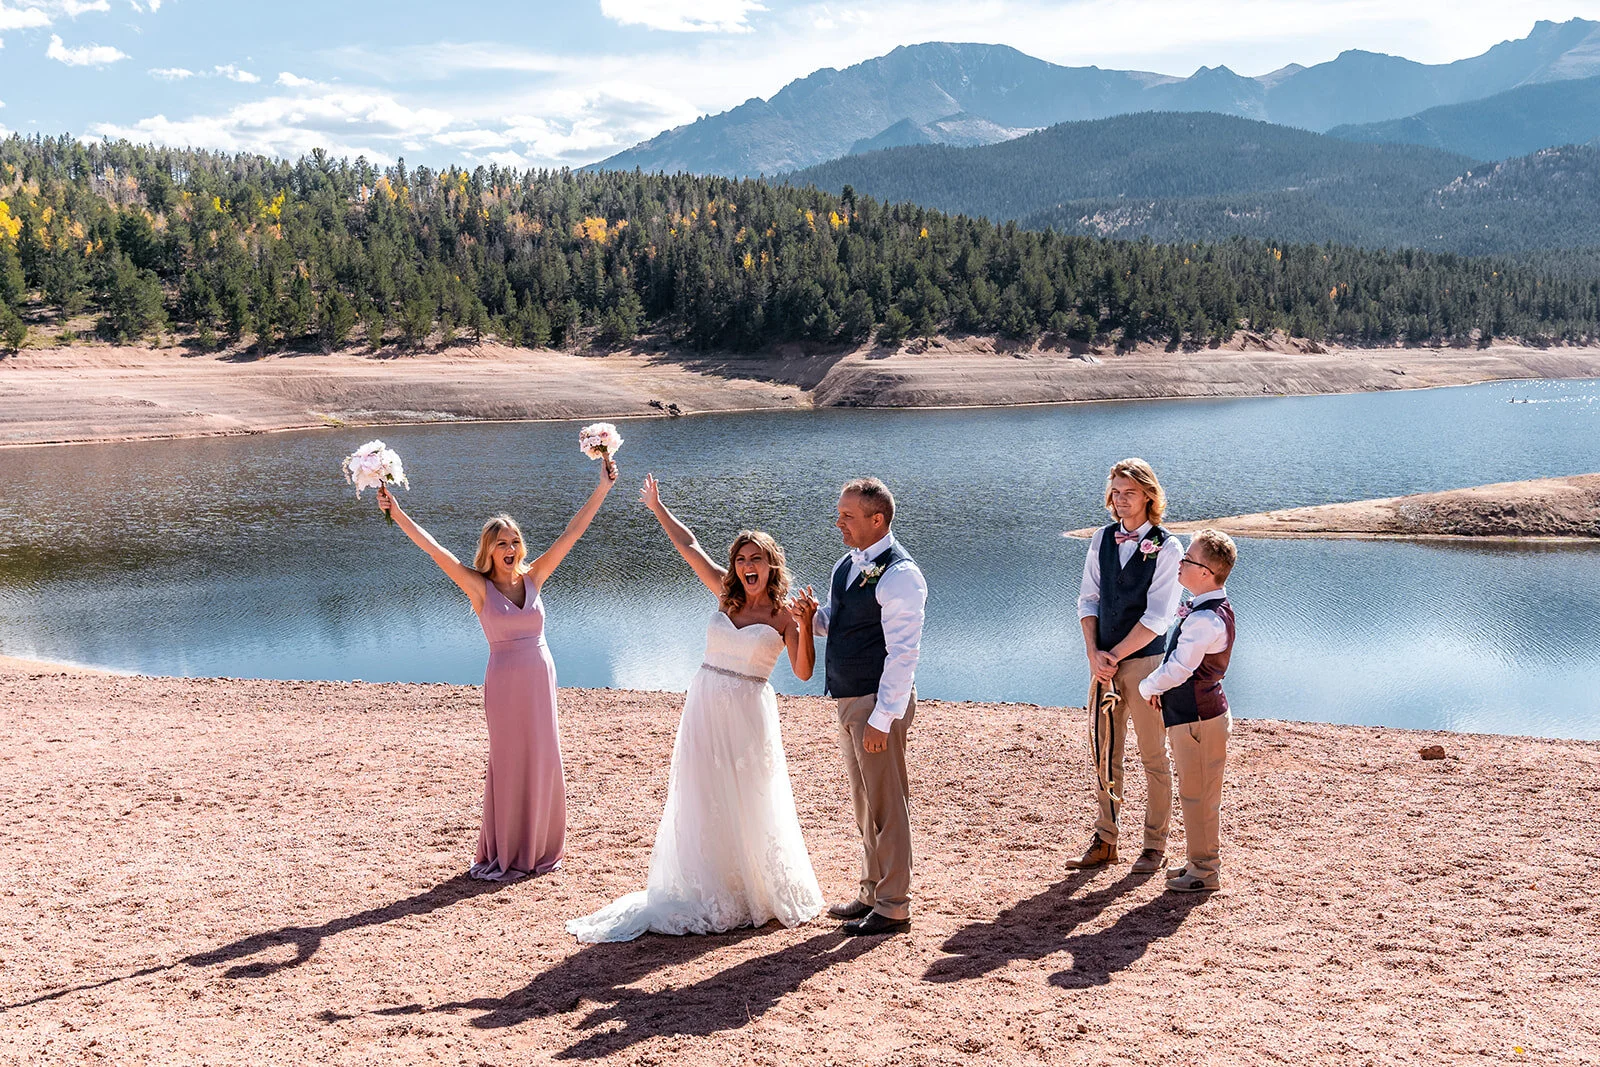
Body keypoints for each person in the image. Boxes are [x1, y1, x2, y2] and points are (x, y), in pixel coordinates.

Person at [565, 474, 824, 941]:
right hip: (705, 703)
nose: (748, 566)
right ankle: (713, 886)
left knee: (749, 794)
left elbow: (804, 673)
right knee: (705, 794)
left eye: (757, 560)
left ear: (771, 566)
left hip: (749, 711)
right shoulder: (724, 595)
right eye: (741, 559)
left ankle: (754, 889)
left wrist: (804, 626)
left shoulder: (785, 615)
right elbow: (689, 546)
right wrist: (658, 508)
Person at [376, 454, 617, 881]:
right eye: (501, 543)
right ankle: (507, 848)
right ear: (488, 550)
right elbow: (435, 550)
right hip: (505, 683)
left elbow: (572, 533)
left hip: (541, 678)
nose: (510, 549)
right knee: (510, 760)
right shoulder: (479, 587)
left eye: (514, 542)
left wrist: (602, 487)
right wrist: (397, 512)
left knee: (544, 757)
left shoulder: (534, 577)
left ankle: (541, 846)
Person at [813, 477, 927, 937]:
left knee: (887, 802)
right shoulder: (847, 565)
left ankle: (894, 905)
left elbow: (904, 655)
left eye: (847, 516)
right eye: (840, 513)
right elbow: (836, 624)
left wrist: (882, 718)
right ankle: (871, 890)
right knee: (864, 802)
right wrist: (807, 616)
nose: (838, 522)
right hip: (848, 698)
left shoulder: (901, 575)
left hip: (878, 703)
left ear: (877, 520)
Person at [1067, 458, 1183, 874]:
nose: (1120, 500)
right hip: (1102, 665)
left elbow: (1158, 617)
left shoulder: (1168, 547)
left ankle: (1154, 845)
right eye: (1115, 492)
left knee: (1153, 755)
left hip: (1147, 665)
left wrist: (1115, 655)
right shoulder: (1100, 538)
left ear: (1149, 495)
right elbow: (1087, 599)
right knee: (1103, 753)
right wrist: (1093, 653)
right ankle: (1105, 840)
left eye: (1128, 492)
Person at [1141, 529, 1238, 893]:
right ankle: (1198, 859)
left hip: (1197, 719)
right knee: (1196, 792)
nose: (1180, 564)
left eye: (1188, 561)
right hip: (1197, 716)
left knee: (1198, 795)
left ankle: (1204, 871)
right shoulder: (1207, 609)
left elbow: (1181, 668)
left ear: (1206, 573)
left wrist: (1148, 686)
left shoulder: (1205, 619)